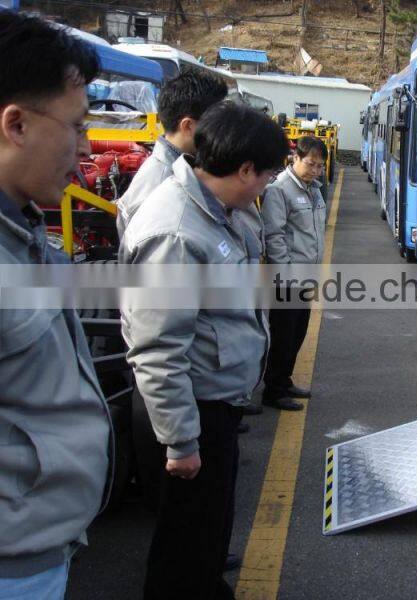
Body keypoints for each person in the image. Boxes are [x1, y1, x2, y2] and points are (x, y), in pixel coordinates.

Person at [120, 101, 289, 600]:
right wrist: (180, 441)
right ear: (243, 170)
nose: (265, 187)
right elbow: (157, 349)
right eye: (265, 176)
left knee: (205, 531)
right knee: (184, 540)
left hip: (215, 402)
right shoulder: (176, 231)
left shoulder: (219, 212)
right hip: (192, 408)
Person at [0, 12, 112, 599]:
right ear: (16, 124)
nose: (88, 146)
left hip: (39, 548)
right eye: (77, 126)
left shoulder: (23, 230)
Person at [115, 67, 228, 240]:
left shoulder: (183, 168)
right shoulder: (160, 180)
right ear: (188, 126)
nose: (222, 131)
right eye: (216, 123)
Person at [261, 136, 328, 411]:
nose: (315, 170)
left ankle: (285, 380)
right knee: (283, 335)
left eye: (320, 166)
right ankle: (273, 390)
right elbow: (274, 236)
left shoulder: (314, 190)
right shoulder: (279, 190)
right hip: (288, 279)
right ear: (295, 159)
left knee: (298, 332)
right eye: (311, 164)